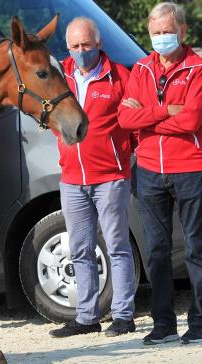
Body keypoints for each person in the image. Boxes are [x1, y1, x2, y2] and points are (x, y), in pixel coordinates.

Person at [118, 2, 202, 345]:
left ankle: (198, 323)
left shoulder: (197, 68)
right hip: (150, 170)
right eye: (156, 33)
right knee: (156, 250)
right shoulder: (140, 69)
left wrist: (148, 116)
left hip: (191, 168)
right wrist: (166, 110)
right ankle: (163, 323)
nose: (162, 38)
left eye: (167, 32)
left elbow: (193, 120)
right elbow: (125, 120)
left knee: (196, 248)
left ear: (182, 31)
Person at [47, 17, 136, 338]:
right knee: (80, 249)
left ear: (99, 44)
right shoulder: (61, 75)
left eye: (87, 45)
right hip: (71, 178)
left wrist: (124, 157)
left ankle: (124, 315)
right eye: (74, 46)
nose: (81, 51)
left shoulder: (121, 77)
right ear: (67, 47)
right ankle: (87, 317)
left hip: (110, 177)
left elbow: (134, 122)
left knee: (117, 246)